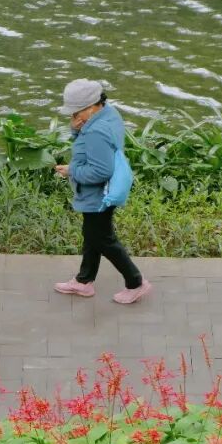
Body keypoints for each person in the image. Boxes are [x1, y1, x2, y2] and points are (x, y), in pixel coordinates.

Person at [53, 79, 152, 305]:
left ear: (91, 107)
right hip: (102, 193)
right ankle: (84, 281)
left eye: (76, 112)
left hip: (98, 195)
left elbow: (100, 171)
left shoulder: (96, 131)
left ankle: (136, 282)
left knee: (103, 239)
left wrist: (72, 171)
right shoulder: (108, 113)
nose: (74, 116)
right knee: (92, 236)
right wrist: (76, 127)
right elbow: (89, 146)